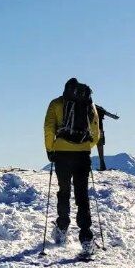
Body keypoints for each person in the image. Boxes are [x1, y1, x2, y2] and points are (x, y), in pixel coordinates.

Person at [44, 78, 100, 252]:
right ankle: (86, 238)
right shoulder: (89, 104)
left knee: (64, 191)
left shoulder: (56, 103)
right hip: (82, 154)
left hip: (62, 154)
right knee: (82, 196)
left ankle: (62, 228)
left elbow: (48, 128)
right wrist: (85, 146)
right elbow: (96, 131)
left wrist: (51, 149)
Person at [94, 102, 119, 171]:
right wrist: (115, 117)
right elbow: (109, 114)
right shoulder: (100, 109)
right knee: (100, 148)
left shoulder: (88, 107)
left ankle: (101, 166)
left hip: (91, 130)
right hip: (100, 130)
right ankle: (102, 166)